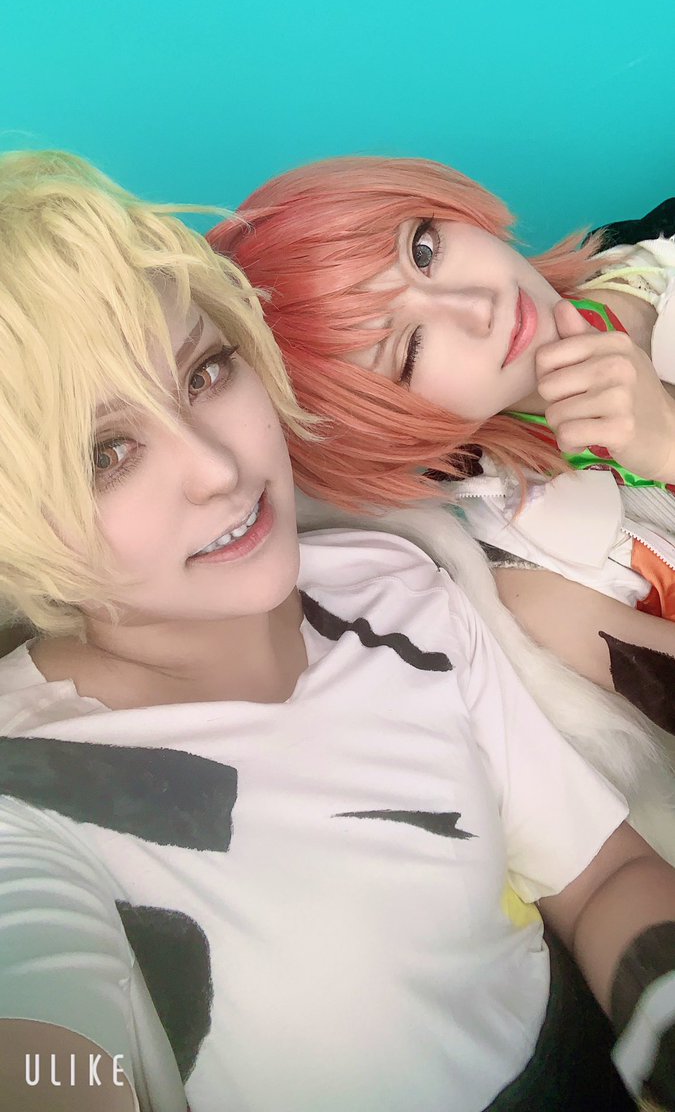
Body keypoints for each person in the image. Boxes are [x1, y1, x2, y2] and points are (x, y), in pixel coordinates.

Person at [0, 151, 674, 1112]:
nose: (217, 469)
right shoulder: (25, 800)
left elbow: (603, 876)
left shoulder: (397, 585)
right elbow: (42, 1049)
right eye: (104, 454)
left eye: (205, 371)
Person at [208, 157, 675, 731]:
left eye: (424, 251)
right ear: (380, 432)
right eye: (410, 350)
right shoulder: (540, 581)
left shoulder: (652, 250)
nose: (478, 305)